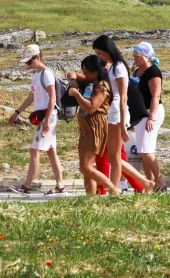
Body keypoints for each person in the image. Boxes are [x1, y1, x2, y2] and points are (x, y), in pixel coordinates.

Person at [7, 44, 66, 195]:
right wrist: (17, 112)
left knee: (34, 150)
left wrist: (47, 120)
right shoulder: (36, 75)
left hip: (48, 116)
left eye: (29, 62)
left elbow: (52, 97)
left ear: (38, 57)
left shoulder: (47, 73)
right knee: (51, 151)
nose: (28, 65)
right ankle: (60, 185)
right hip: (43, 116)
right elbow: (31, 98)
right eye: (26, 62)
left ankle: (27, 186)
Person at [67, 55, 119, 195]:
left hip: (95, 126)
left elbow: (91, 107)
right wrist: (73, 81)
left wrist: (77, 95)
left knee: (86, 167)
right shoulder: (89, 80)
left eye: (87, 71)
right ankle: (90, 196)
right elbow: (71, 73)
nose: (84, 74)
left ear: (96, 71)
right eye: (83, 70)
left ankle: (113, 189)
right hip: (85, 126)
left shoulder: (102, 85)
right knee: (85, 167)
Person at [92, 35, 130, 192]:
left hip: (116, 114)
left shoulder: (119, 67)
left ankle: (114, 189)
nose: (100, 57)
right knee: (112, 155)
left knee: (115, 157)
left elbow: (123, 96)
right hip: (110, 112)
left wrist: (122, 124)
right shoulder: (111, 66)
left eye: (100, 53)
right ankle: (114, 188)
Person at [132, 42, 166, 192]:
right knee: (142, 150)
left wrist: (151, 117)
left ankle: (160, 182)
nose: (135, 60)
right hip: (140, 113)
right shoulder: (137, 72)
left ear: (146, 56)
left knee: (147, 149)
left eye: (137, 57)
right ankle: (149, 183)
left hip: (152, 111)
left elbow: (156, 96)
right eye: (134, 57)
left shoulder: (154, 71)